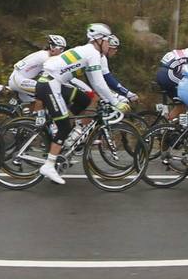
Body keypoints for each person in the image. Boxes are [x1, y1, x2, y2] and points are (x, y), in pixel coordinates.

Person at [32, 23, 132, 184]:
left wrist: (112, 98)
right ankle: (49, 165)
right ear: (99, 40)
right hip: (49, 84)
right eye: (107, 40)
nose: (109, 43)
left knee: (85, 101)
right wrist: (115, 101)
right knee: (64, 125)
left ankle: (74, 135)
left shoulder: (92, 53)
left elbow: (94, 81)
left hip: (55, 83)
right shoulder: (91, 53)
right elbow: (99, 83)